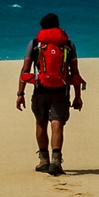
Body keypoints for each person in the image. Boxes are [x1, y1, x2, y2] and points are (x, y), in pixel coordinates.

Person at [16, 13, 85, 176]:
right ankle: (56, 161)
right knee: (57, 124)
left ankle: (43, 161)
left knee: (41, 123)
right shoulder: (68, 44)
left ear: (42, 27)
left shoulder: (34, 43)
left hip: (40, 89)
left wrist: (20, 93)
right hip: (61, 90)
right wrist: (77, 96)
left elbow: (25, 70)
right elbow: (74, 73)